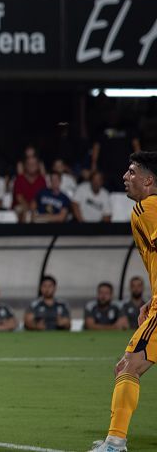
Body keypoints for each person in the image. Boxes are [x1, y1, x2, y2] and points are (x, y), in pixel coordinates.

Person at [88, 151, 157, 452]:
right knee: (125, 367)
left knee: (128, 366)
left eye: (131, 172)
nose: (125, 177)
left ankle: (115, 443)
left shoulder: (148, 207)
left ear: (148, 180)